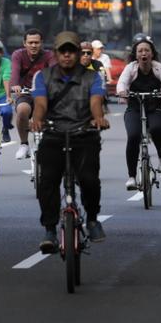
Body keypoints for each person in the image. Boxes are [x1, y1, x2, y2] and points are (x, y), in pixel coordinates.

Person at [30, 31, 109, 253]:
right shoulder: (42, 76)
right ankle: (49, 230)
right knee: (47, 182)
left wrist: (98, 118)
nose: (67, 55)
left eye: (71, 51)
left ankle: (92, 219)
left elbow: (95, 101)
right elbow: (41, 104)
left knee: (89, 179)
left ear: (78, 53)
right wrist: (37, 120)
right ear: (55, 53)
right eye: (62, 51)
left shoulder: (93, 76)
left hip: (84, 133)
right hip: (54, 133)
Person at [116, 35, 161, 186]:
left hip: (155, 107)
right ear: (136, 55)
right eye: (140, 51)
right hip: (134, 108)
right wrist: (122, 91)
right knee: (133, 136)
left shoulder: (158, 67)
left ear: (151, 54)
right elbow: (122, 82)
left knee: (156, 129)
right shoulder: (131, 68)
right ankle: (132, 177)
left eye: (146, 51)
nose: (143, 53)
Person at [10, 29, 56, 160]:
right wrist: (15, 85)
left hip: (43, 93)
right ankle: (24, 144)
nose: (33, 45)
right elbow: (15, 71)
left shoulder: (49, 55)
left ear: (41, 43)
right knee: (22, 110)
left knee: (50, 117)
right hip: (25, 92)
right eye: (30, 42)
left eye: (36, 42)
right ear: (24, 43)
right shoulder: (18, 55)